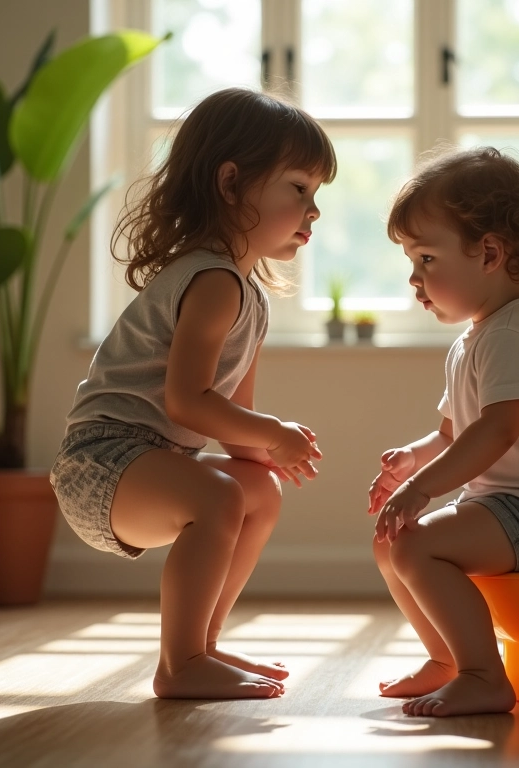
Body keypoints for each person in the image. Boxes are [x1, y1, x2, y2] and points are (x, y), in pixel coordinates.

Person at [50, 88, 336, 700]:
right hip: (101, 462)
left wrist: (270, 449)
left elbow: (234, 420)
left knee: (256, 488)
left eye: (317, 194)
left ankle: (200, 643)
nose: (314, 211)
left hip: (152, 462)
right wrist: (273, 434)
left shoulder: (248, 294)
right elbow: (188, 403)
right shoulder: (210, 280)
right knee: (218, 496)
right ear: (231, 183)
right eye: (299, 189)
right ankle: (179, 663)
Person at [367, 146, 519, 717]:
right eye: (410, 258)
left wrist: (422, 488)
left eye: (427, 257)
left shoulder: (510, 336)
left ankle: (482, 674)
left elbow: (497, 432)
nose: (413, 276)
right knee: (392, 541)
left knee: (416, 542)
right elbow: (455, 434)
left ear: (490, 253)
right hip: (512, 506)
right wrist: (413, 460)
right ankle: (448, 658)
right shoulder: (476, 338)